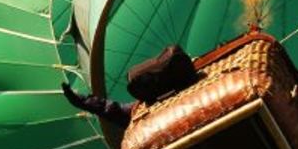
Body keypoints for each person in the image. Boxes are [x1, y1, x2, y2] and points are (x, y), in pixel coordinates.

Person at [61, 44, 199, 127]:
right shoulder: (145, 110)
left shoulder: (144, 112)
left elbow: (113, 110)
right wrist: (84, 102)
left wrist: (84, 103)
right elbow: (113, 110)